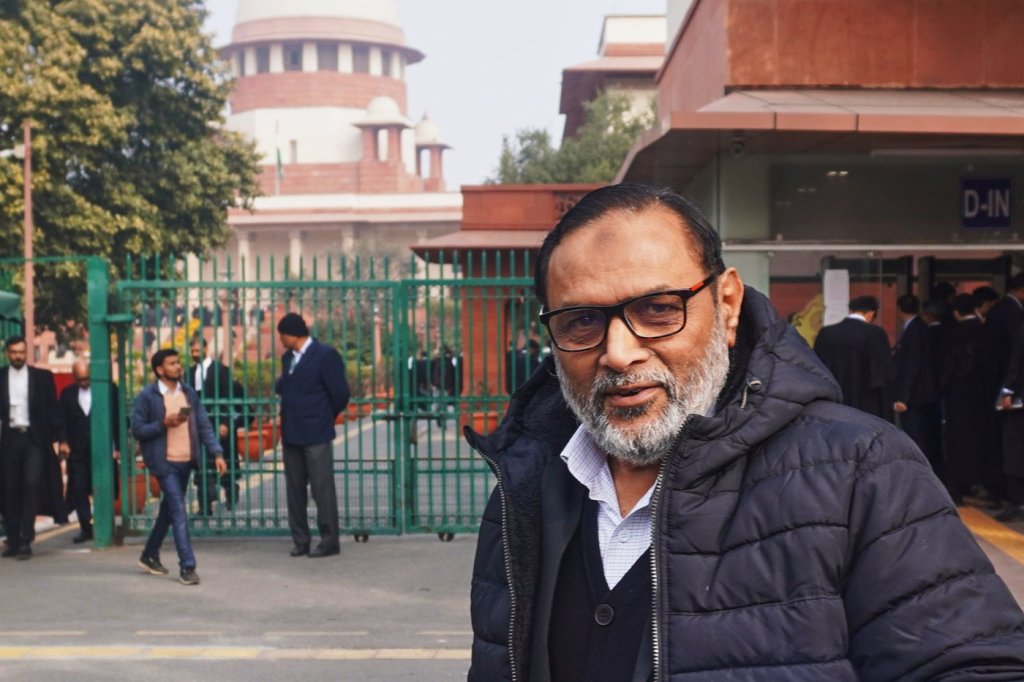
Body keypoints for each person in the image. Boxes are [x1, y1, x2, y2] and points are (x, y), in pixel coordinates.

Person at [467, 184, 1024, 681]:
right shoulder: (524, 488)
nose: (618, 352)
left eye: (658, 309)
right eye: (581, 321)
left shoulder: (862, 472)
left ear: (727, 305)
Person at [131, 349, 226, 585]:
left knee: (169, 510)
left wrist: (217, 453)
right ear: (159, 369)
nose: (178, 366)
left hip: (186, 461)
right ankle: (187, 566)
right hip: (164, 463)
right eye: (172, 363)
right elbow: (138, 430)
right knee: (179, 510)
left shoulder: (188, 393)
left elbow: (203, 425)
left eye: (178, 362)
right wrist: (163, 423)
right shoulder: (147, 396)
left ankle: (149, 554)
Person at [275, 313, 349, 558]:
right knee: (295, 490)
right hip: (291, 432)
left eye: (282, 335)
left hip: (316, 432)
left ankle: (329, 540)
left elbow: (340, 393)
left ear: (292, 334)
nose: (280, 340)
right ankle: (301, 540)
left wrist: (324, 415)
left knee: (321, 488)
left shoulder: (325, 355)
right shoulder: (288, 358)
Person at [0, 335, 65, 559]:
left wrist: (62, 440)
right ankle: (13, 539)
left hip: (34, 440)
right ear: (7, 353)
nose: (18, 356)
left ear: (26, 352)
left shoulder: (42, 378)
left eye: (21, 352)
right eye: (13, 352)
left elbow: (54, 410)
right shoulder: (1, 376)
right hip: (8, 439)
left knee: (31, 485)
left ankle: (26, 539)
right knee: (9, 489)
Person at [57, 359, 120, 544]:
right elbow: (62, 420)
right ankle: (86, 527)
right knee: (78, 489)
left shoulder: (109, 390)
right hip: (77, 450)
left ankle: (104, 526)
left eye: (86, 378)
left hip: (102, 448)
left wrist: (117, 447)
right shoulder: (67, 394)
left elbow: (117, 418)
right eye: (80, 379)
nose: (84, 382)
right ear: (74, 377)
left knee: (104, 487)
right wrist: (63, 442)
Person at [186, 337, 244, 514]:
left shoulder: (221, 370)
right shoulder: (189, 373)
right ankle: (205, 506)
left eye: (198, 350)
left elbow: (228, 398)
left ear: (205, 349)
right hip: (198, 424)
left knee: (224, 460)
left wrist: (226, 422)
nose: (195, 354)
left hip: (219, 423)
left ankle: (231, 490)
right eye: (192, 351)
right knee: (201, 464)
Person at [941, 293, 990, 504]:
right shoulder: (985, 330)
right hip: (983, 394)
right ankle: (977, 481)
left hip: (958, 395)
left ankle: (957, 488)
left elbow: (949, 366)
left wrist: (941, 388)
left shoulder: (954, 333)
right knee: (978, 438)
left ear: (956, 312)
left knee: (956, 440)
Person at [813, 295, 892, 419]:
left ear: (850, 311)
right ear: (871, 314)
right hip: (866, 405)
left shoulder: (826, 333)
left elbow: (816, 367)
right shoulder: (875, 334)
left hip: (833, 403)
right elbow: (883, 372)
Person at [891, 294, 943, 482]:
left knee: (917, 437)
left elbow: (911, 365)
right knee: (926, 437)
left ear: (899, 310)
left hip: (915, 396)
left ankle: (920, 478)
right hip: (924, 394)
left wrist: (902, 396)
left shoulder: (913, 331)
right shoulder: (921, 328)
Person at [996, 324, 1024, 522]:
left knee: (1015, 449)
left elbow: (1017, 360)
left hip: (1020, 401)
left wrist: (1008, 391)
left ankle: (1017, 502)